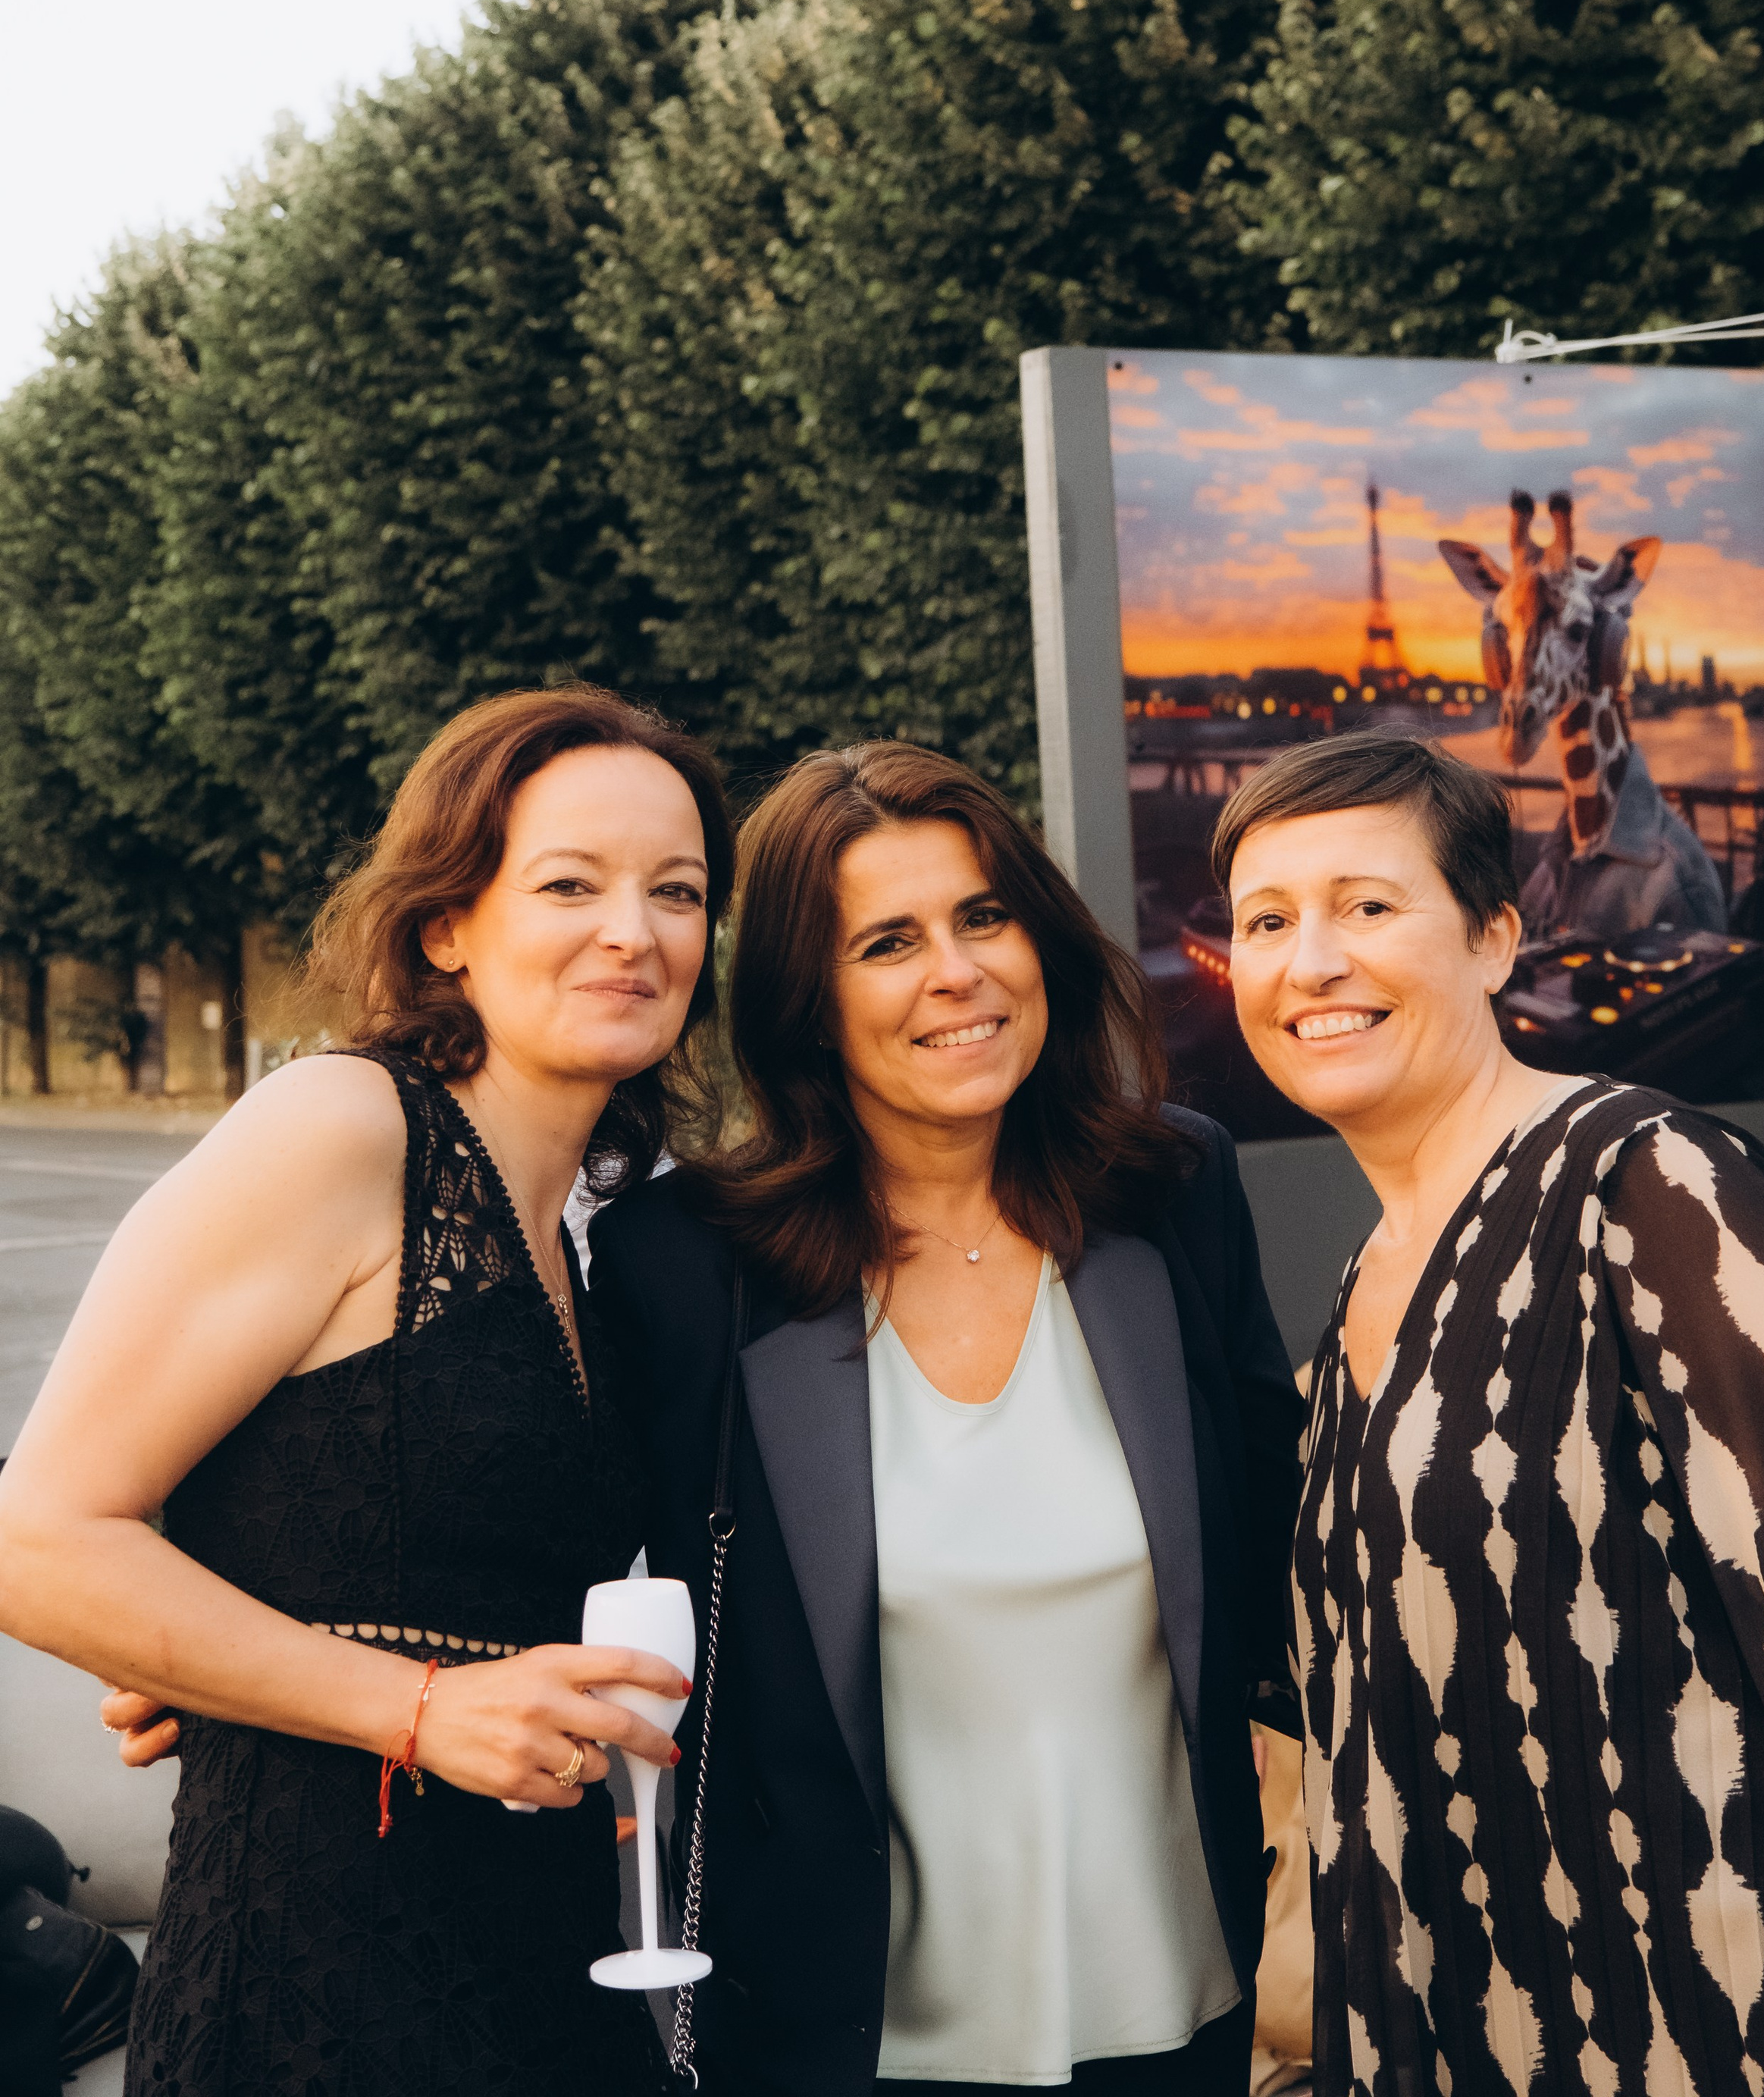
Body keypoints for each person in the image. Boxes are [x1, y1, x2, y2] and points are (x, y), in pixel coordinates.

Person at [0, 683, 734, 2097]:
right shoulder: (341, 1126)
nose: (633, 932)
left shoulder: (592, 1220)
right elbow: (39, 1538)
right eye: (569, 883)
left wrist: (232, 1650)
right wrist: (412, 1706)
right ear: (449, 924)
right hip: (318, 1984)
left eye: (680, 891)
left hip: (543, 1962)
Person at [1217, 730, 1764, 2097]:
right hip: (1452, 2038)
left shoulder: (1648, 1184)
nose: (1308, 961)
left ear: (1494, 941)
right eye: (1267, 920)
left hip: (1706, 2036)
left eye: (1367, 906)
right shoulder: (1368, 1273)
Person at [592, 740, 1304, 2097]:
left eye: (985, 916)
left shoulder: (1175, 1191)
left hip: (1175, 2005)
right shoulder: (686, 1264)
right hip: (837, 2034)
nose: (957, 972)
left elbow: (1289, 1524)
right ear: (808, 999)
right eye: (888, 942)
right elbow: (536, 1540)